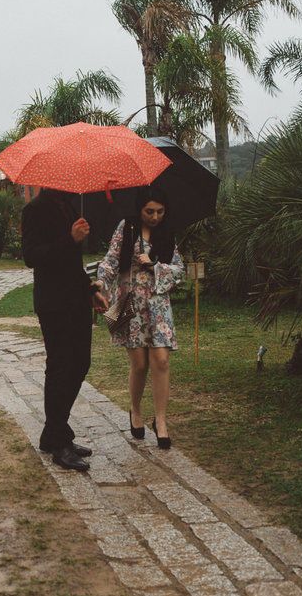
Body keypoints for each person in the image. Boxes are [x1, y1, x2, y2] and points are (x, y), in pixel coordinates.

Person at [22, 188, 109, 471]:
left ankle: (53, 432)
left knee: (81, 363)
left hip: (77, 300)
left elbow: (73, 263)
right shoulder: (35, 209)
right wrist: (69, 239)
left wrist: (90, 291)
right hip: (53, 302)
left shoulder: (70, 206)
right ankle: (59, 441)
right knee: (60, 367)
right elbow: (31, 256)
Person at [97, 187, 184, 450]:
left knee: (161, 360)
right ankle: (135, 411)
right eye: (149, 211)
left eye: (160, 211)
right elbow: (111, 260)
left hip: (157, 305)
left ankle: (160, 420)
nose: (155, 217)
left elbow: (179, 270)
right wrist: (101, 282)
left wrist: (155, 265)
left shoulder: (167, 233)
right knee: (139, 364)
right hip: (130, 302)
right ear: (140, 209)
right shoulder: (127, 227)